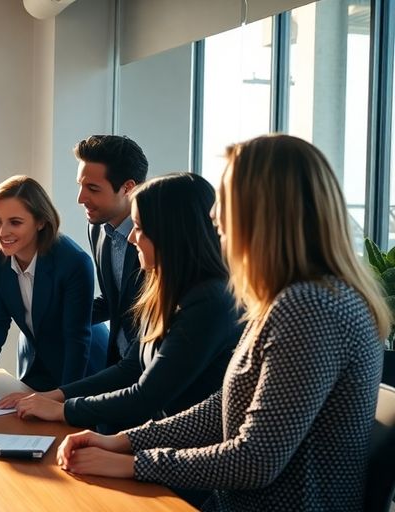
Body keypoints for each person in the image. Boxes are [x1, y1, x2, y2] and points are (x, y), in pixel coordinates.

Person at [57, 135, 388, 512]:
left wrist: (134, 463)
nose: (215, 224)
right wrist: (126, 441)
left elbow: (255, 459)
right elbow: (224, 407)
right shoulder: (290, 299)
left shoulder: (311, 307)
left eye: (224, 214)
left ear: (261, 217)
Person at [0, 173, 241, 434]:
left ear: (172, 235)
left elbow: (148, 395)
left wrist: (64, 409)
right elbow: (130, 368)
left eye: (140, 229)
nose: (131, 239)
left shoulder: (209, 303)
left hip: (191, 445)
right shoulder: (161, 288)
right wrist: (54, 395)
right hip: (158, 434)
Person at [0, 175, 94, 395]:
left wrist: (63, 398)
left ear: (41, 222)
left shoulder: (74, 262)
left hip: (81, 370)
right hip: (36, 364)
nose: (2, 232)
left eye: (15, 222)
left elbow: (77, 339)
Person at [75, 135, 148, 371]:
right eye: (81, 186)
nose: (81, 198)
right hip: (119, 365)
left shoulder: (156, 239)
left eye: (92, 189)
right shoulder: (97, 229)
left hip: (152, 371)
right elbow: (112, 301)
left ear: (128, 187)